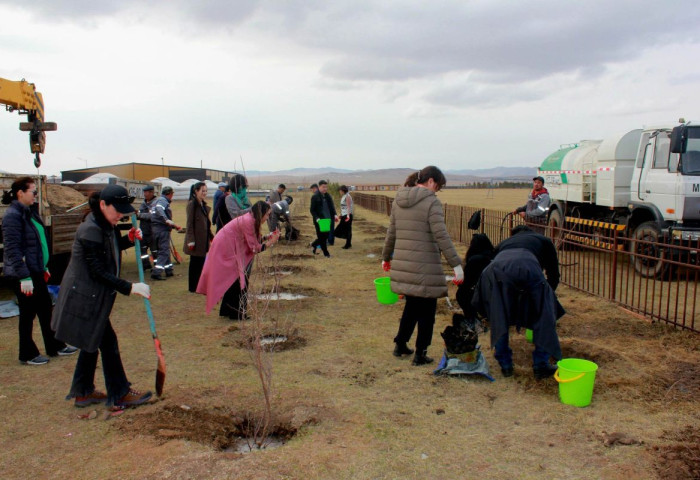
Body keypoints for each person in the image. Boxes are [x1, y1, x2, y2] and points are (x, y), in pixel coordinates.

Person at [51, 185, 153, 408]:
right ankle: (120, 392)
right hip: (83, 298)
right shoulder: (90, 231)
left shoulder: (105, 224)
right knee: (107, 342)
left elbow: (111, 248)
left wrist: (128, 238)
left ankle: (83, 392)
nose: (120, 215)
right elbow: (97, 271)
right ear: (103, 205)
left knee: (93, 340)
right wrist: (130, 287)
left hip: (91, 296)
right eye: (117, 210)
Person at [382, 166, 464, 366]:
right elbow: (441, 235)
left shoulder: (399, 200)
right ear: (430, 182)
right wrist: (456, 264)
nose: (437, 190)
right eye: (438, 186)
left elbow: (391, 232)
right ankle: (421, 353)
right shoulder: (431, 202)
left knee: (411, 307)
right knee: (427, 312)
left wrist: (386, 257)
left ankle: (400, 344)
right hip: (425, 267)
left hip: (405, 266)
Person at [472, 225, 564, 379]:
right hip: (529, 267)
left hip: (497, 270)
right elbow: (553, 274)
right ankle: (541, 365)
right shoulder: (543, 240)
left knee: (499, 313)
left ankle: (505, 365)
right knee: (543, 316)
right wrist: (547, 299)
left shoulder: (505, 243)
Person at [1, 176, 77, 365]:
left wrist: (43, 267)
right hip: (24, 275)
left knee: (45, 309)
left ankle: (55, 345)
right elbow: (12, 249)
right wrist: (24, 275)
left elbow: (37, 243)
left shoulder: (29, 213)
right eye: (33, 192)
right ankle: (27, 354)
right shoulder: (13, 216)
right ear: (20, 193)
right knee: (27, 314)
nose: (36, 195)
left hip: (36, 271)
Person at [197, 201, 280, 320]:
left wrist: (268, 237)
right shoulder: (249, 221)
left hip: (229, 246)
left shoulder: (250, 219)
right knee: (240, 280)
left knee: (234, 280)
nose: (267, 218)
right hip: (226, 248)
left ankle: (228, 310)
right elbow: (254, 248)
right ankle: (237, 314)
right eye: (267, 214)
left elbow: (252, 240)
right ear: (260, 213)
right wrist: (271, 242)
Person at [455, 234, 495, 318]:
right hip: (496, 292)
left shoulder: (475, 260)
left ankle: (472, 318)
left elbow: (466, 283)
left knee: (461, 294)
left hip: (481, 293)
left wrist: (459, 282)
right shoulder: (494, 257)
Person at [184, 182, 214, 293]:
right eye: (203, 191)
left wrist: (211, 236)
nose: (204, 193)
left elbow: (207, 223)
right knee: (195, 264)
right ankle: (193, 287)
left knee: (201, 263)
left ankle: (199, 286)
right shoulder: (192, 204)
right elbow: (189, 224)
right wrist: (190, 240)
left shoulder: (202, 205)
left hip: (203, 239)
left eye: (206, 191)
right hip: (196, 240)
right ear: (196, 191)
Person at [150, 185, 180, 280]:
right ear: (169, 194)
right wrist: (167, 220)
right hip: (162, 229)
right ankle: (156, 272)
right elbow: (159, 209)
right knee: (163, 251)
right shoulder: (162, 201)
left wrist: (173, 226)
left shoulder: (156, 201)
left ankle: (169, 270)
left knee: (165, 250)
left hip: (156, 229)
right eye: (172, 194)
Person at [309, 180, 337, 258]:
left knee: (325, 237)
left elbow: (332, 207)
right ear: (319, 187)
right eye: (323, 187)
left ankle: (313, 245)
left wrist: (335, 215)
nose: (325, 189)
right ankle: (326, 254)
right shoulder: (315, 196)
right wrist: (317, 218)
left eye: (326, 187)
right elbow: (312, 210)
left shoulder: (328, 196)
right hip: (319, 220)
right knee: (322, 237)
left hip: (327, 220)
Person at [137, 185, 156, 270]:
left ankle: (157, 267)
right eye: (144, 192)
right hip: (143, 230)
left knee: (154, 250)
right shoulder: (143, 203)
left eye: (146, 192)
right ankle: (145, 265)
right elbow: (139, 215)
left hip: (152, 231)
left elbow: (152, 216)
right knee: (143, 250)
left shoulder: (156, 203)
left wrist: (140, 215)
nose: (145, 194)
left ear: (151, 192)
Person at [333, 185, 354, 249]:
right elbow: (343, 207)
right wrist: (341, 215)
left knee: (346, 229)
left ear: (342, 190)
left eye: (340, 190)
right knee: (345, 229)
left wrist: (347, 216)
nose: (339, 192)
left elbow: (348, 207)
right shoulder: (344, 196)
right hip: (344, 215)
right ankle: (348, 243)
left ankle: (348, 244)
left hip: (347, 215)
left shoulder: (347, 196)